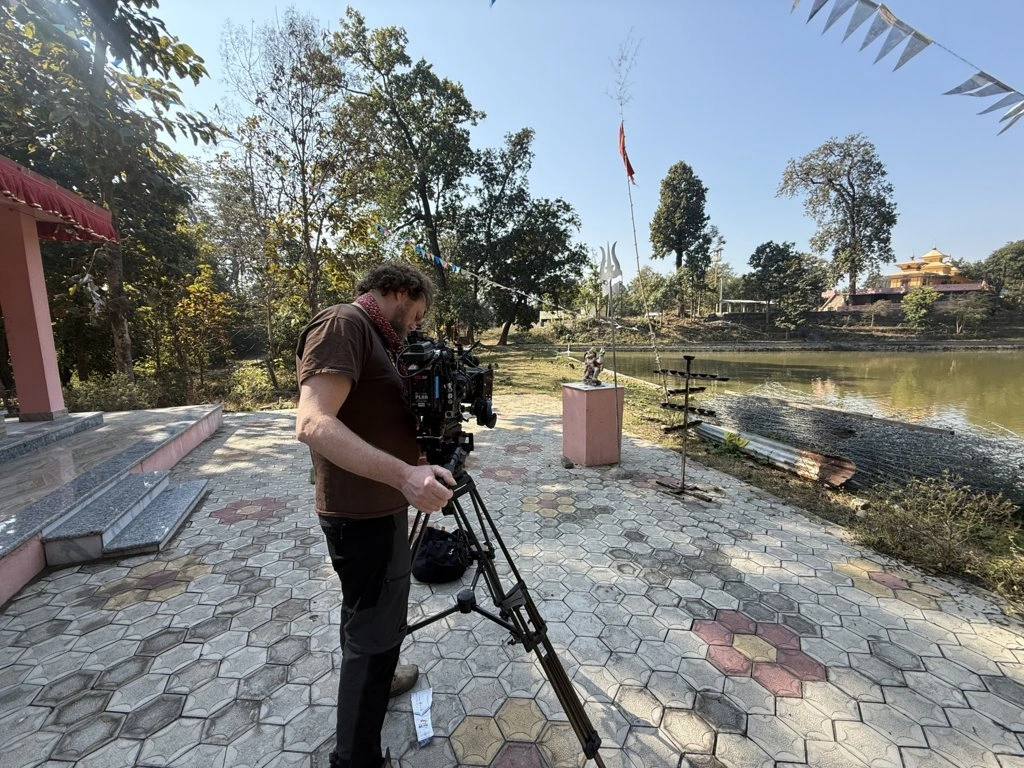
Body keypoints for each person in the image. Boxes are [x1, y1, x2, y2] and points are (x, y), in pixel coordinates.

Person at [295, 262, 456, 768]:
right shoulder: (344, 323)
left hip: (381, 506)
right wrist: (405, 477)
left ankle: (380, 681)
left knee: (376, 618)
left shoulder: (378, 339)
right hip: (359, 514)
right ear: (401, 291)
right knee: (372, 631)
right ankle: (355, 758)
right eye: (416, 315)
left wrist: (420, 463)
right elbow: (313, 423)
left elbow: (373, 422)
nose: (415, 326)